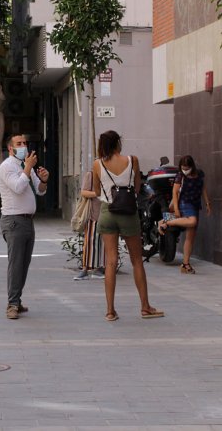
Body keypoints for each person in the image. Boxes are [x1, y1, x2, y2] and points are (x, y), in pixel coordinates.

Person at [84, 130, 164, 321]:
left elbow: (96, 190)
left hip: (107, 212)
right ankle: (145, 307)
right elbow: (137, 188)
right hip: (128, 213)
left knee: (111, 261)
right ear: (118, 142)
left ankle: (110, 311)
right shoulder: (133, 160)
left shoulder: (97, 163)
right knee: (137, 260)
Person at [0, 134, 48, 319]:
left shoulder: (25, 166)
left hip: (27, 220)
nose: (23, 146)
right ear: (10, 148)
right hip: (13, 221)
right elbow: (18, 187)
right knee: (16, 263)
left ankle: (16, 301)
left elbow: (40, 191)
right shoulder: (7, 167)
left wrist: (43, 179)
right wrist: (27, 168)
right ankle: (12, 304)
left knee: (24, 263)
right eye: (19, 144)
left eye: (25, 143)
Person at [160, 154, 211, 274]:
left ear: (192, 166)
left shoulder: (199, 174)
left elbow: (203, 188)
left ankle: (185, 264)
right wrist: (176, 209)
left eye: (187, 168)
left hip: (195, 205)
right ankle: (166, 222)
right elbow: (175, 193)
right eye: (183, 167)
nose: (185, 170)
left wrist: (208, 203)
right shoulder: (179, 176)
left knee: (190, 238)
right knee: (192, 221)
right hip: (184, 204)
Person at [72, 170, 105, 280]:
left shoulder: (113, 173)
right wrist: (98, 193)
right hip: (93, 213)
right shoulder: (91, 174)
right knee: (91, 241)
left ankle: (100, 268)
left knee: (105, 243)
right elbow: (84, 192)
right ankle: (85, 269)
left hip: (108, 214)